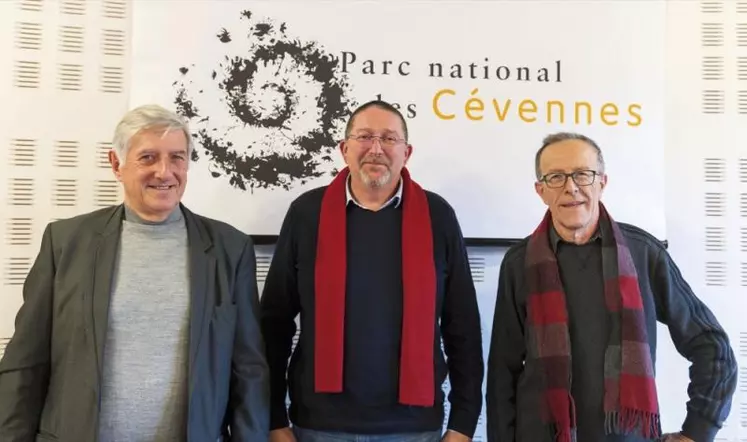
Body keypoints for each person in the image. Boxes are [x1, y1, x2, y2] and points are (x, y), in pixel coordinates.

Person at [0, 104, 270, 441]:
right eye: (148, 158)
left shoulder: (230, 249)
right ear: (117, 164)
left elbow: (248, 370)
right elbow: (26, 361)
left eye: (177, 157)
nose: (164, 172)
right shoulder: (66, 243)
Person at [486, 132, 737, 442]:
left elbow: (712, 346)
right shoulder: (518, 263)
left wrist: (698, 431)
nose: (571, 187)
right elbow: (502, 374)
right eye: (556, 177)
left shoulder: (643, 253)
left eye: (582, 174)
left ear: (602, 182)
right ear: (541, 190)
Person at [260, 100, 484, 442]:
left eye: (389, 139)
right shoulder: (307, 214)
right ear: (344, 149)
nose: (376, 149)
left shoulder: (438, 217)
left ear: (406, 152)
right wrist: (274, 419)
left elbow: (463, 327)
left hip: (414, 428)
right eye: (364, 136)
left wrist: (463, 425)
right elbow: (273, 324)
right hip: (318, 426)